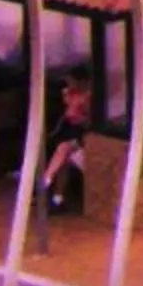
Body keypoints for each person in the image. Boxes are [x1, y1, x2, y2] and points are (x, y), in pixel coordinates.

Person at [40, 72, 90, 215]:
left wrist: (78, 112)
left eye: (73, 82)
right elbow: (67, 116)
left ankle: (46, 180)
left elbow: (88, 123)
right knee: (64, 157)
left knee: (64, 148)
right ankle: (56, 198)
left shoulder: (88, 97)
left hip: (93, 145)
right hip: (78, 142)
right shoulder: (70, 95)